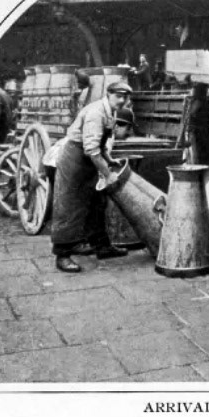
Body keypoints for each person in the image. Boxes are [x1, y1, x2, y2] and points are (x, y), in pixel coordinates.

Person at [51, 81, 133, 273]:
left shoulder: (110, 110)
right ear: (109, 94)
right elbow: (90, 148)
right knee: (69, 204)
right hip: (75, 159)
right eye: (118, 96)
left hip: (89, 159)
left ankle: (102, 246)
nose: (122, 101)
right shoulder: (96, 113)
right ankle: (62, 255)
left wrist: (109, 160)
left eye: (125, 97)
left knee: (97, 202)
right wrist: (107, 174)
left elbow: (100, 144)